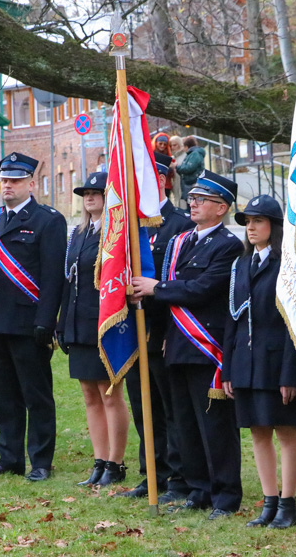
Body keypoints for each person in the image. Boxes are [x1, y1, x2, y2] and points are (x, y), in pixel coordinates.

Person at [132, 170, 243, 520]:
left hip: (207, 346)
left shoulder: (228, 245)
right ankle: (199, 488)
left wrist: (156, 288)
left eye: (202, 199)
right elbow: (174, 289)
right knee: (184, 422)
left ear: (221, 207)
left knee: (215, 425)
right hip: (178, 344)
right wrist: (163, 334)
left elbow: (203, 288)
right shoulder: (182, 240)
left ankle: (225, 494)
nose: (192, 203)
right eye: (192, 198)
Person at [0, 152, 67, 481]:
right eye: (4, 180)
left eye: (14, 180)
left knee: (36, 395)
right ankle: (9, 457)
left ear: (31, 183)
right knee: (3, 394)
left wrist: (47, 320)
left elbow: (54, 276)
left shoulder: (48, 221)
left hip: (29, 323)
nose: (8, 185)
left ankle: (40, 461)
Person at [222, 195, 296, 529]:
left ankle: (288, 503)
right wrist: (228, 368)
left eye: (258, 221)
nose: (251, 228)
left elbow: (293, 324)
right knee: (257, 431)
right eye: (247, 222)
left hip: (276, 362)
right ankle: (269, 502)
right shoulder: (241, 263)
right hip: (246, 360)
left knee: (285, 431)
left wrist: (290, 373)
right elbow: (233, 320)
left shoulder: (288, 262)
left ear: (274, 225)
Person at [120, 153, 194, 500]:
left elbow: (180, 281)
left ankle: (178, 477)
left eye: (150, 177)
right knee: (141, 404)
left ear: (164, 180)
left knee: (169, 408)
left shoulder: (179, 223)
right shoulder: (128, 224)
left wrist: (167, 333)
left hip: (164, 330)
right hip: (131, 328)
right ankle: (152, 472)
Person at [57, 173, 129, 486]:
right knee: (89, 394)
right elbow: (68, 280)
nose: (89, 198)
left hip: (104, 323)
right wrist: (62, 322)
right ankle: (99, 461)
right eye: (85, 193)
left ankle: (116, 462)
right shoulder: (79, 233)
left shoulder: (116, 235)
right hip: (78, 322)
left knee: (109, 394)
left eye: (96, 193)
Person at [152, 133, 173, 199]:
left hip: (166, 185)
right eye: (160, 143)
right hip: (153, 183)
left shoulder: (168, 155)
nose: (162, 146)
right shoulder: (151, 154)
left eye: (164, 144)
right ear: (156, 143)